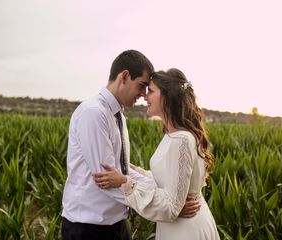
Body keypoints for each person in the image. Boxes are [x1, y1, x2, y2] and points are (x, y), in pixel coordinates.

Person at [61, 51, 200, 240]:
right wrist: (166, 206)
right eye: (142, 86)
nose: (143, 95)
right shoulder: (94, 113)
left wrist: (171, 200)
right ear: (124, 76)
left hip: (116, 223)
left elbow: (120, 174)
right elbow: (106, 181)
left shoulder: (119, 116)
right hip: (89, 227)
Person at [93, 68, 220, 239]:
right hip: (182, 225)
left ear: (167, 97)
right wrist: (136, 170)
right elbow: (169, 180)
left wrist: (124, 182)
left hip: (184, 229)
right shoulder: (175, 135)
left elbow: (171, 206)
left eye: (151, 91)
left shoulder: (180, 140)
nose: (145, 96)